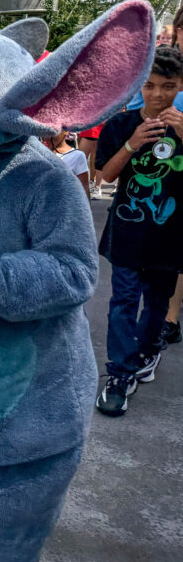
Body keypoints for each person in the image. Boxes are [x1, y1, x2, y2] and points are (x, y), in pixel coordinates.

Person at [94, 45, 183, 417]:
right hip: (128, 233)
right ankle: (119, 373)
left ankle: (148, 350)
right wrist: (133, 143)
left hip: (170, 238)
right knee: (123, 301)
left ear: (180, 85)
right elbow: (105, 175)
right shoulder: (120, 124)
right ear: (139, 86)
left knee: (158, 304)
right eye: (149, 86)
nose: (158, 94)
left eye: (168, 85)